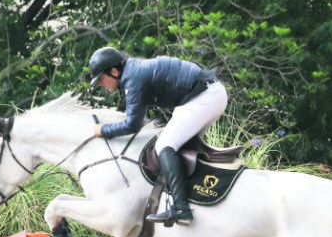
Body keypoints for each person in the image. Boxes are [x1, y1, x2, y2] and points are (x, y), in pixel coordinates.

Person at [89, 46, 228, 226]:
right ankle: (200, 196)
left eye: (100, 79)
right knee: (180, 146)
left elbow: (132, 124)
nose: (100, 84)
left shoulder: (132, 78)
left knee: (164, 144)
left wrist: (103, 129)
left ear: (114, 71)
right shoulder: (133, 71)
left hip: (205, 96)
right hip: (210, 93)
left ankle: (181, 209)